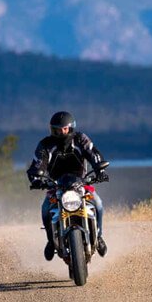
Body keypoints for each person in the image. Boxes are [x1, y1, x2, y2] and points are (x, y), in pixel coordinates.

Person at [27, 111, 109, 261]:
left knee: (98, 204)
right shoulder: (46, 144)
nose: (61, 132)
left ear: (71, 128)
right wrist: (36, 178)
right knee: (45, 210)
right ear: (52, 129)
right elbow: (39, 162)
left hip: (81, 183)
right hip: (56, 185)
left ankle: (99, 236)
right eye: (58, 129)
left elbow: (93, 154)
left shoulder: (80, 139)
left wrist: (100, 169)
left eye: (64, 128)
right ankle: (51, 241)